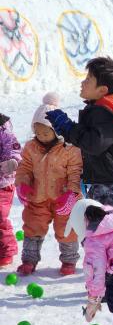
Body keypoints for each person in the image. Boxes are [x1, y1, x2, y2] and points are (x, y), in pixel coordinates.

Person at [46, 57, 113, 210]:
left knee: (107, 229)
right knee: (100, 228)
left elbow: (93, 144)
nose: (83, 82)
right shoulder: (103, 108)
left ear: (102, 90)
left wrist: (68, 127)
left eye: (88, 79)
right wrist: (66, 130)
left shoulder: (106, 112)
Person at [14, 93, 82, 276]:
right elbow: (24, 167)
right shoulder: (30, 147)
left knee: (66, 229)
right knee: (32, 227)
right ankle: (29, 260)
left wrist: (72, 193)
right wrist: (22, 184)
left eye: (45, 132)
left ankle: (68, 260)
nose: (41, 136)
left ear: (56, 131)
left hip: (64, 199)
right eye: (37, 132)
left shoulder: (70, 148)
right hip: (37, 197)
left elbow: (76, 172)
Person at [0, 113, 21, 268]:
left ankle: (8, 250)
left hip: (3, 182)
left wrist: (13, 162)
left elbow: (16, 152)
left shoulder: (4, 130)